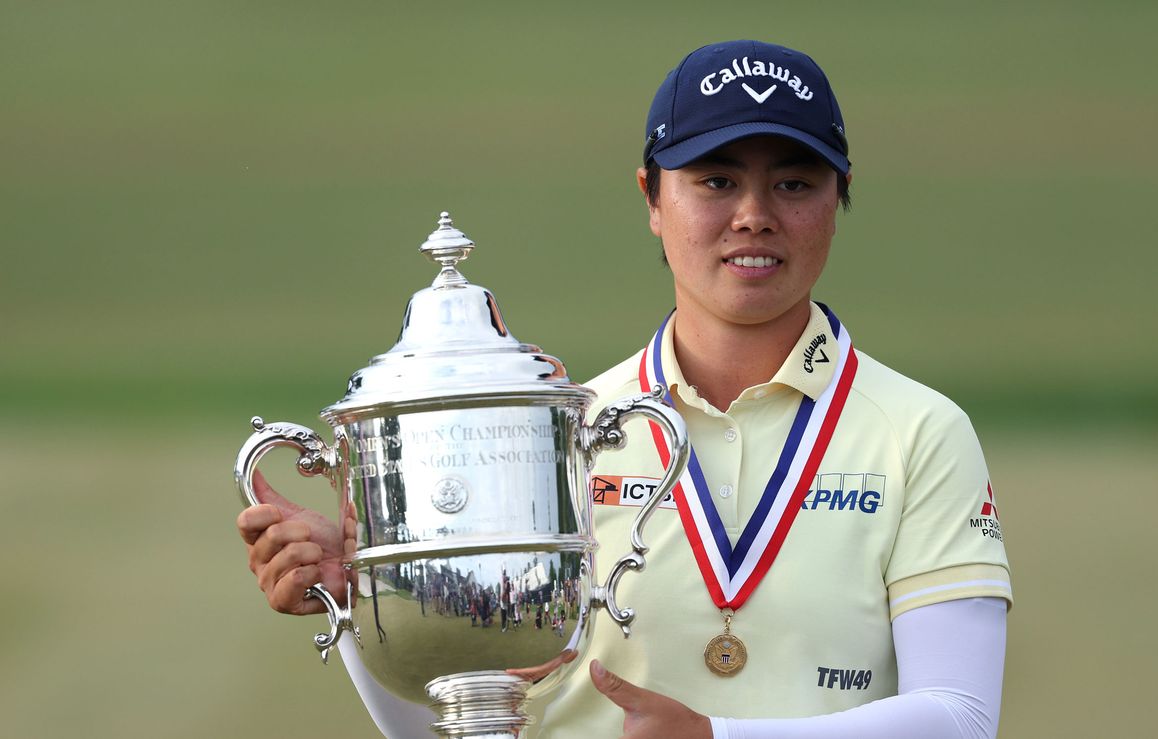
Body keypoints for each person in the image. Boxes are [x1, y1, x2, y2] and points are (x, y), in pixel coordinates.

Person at [237, 39, 1011, 738]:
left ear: (838, 199)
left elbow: (960, 717)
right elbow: (451, 726)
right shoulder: (556, 429)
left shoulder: (918, 430)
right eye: (715, 180)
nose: (753, 216)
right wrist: (371, 605)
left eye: (794, 183)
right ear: (651, 197)